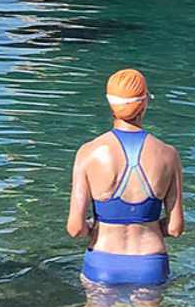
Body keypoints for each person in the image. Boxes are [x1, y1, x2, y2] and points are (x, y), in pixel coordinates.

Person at [67, 69, 185, 287]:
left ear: (110, 103)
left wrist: (101, 225)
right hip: (151, 263)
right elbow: (175, 228)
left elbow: (75, 228)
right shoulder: (168, 154)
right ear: (144, 104)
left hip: (103, 261)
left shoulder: (88, 152)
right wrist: (144, 223)